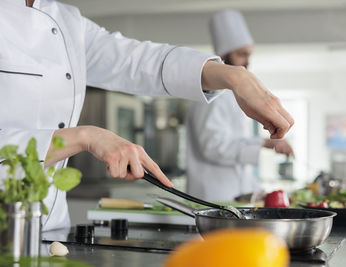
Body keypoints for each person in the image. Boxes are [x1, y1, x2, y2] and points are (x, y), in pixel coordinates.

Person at [0, 1, 293, 230]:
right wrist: (84, 136)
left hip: (49, 227)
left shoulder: (66, 20)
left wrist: (232, 77)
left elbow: (138, 61)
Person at [186, 10, 294, 201]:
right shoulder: (211, 95)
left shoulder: (229, 94)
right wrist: (263, 143)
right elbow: (213, 147)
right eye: (242, 54)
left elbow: (235, 145)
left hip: (234, 194)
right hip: (212, 195)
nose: (247, 61)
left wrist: (267, 144)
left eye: (249, 54)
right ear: (224, 55)